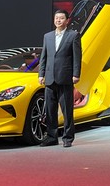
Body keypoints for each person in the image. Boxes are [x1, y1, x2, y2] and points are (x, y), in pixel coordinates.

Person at [38, 9, 82, 148]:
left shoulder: (73, 35)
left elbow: (77, 57)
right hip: (50, 78)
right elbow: (44, 57)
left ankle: (68, 138)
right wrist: (41, 74)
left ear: (67, 20)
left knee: (67, 110)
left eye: (61, 18)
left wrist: (76, 74)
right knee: (50, 110)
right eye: (56, 18)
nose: (58, 20)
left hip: (65, 77)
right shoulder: (47, 36)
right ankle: (51, 137)